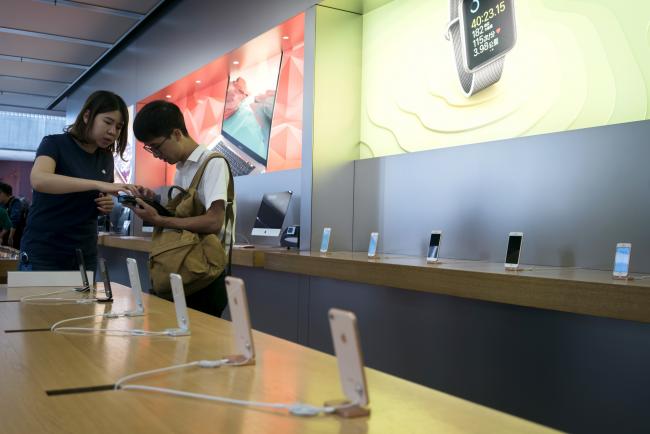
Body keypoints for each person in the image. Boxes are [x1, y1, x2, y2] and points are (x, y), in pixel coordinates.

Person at [131, 100, 235, 317]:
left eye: (157, 146)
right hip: (183, 268)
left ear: (177, 134)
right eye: (149, 148)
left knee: (201, 345)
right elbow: (181, 217)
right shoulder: (182, 168)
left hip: (205, 275)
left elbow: (214, 221)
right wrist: (154, 203)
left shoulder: (213, 163)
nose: (156, 154)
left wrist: (160, 221)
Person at [19, 90, 139, 272]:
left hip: (84, 252)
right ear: (87, 116)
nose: (112, 132)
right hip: (44, 250)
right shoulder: (54, 144)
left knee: (83, 301)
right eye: (107, 122)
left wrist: (105, 204)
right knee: (39, 301)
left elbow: (99, 198)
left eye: (119, 127)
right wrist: (97, 184)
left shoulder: (106, 157)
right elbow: (39, 179)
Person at [0, 182, 27, 248]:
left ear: (6, 193)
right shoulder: (2, 205)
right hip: (4, 240)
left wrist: (10, 236)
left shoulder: (15, 202)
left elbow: (14, 219)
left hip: (15, 240)